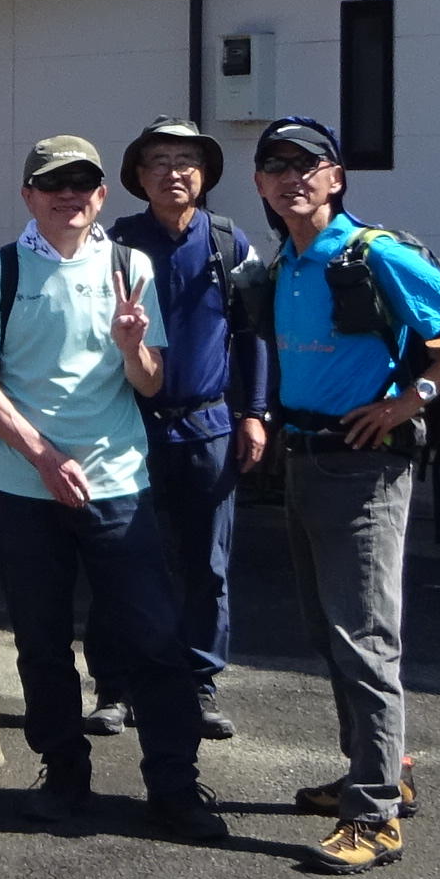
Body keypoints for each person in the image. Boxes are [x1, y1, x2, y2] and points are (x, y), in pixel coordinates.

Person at [235, 116, 440, 876]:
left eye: (307, 165)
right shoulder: (287, 262)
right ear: (259, 184)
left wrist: (410, 398)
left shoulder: (372, 251)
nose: (292, 178)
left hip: (367, 464)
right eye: (275, 166)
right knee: (329, 630)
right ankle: (378, 768)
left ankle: (375, 813)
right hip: (307, 457)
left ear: (336, 176)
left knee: (365, 637)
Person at [0, 134, 225, 841]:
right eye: (53, 184)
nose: (69, 195)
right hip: (26, 487)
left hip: (117, 483)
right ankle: (64, 771)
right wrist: (42, 455)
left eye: (83, 184)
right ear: (29, 196)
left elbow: (150, 381)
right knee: (42, 642)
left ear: (102, 195)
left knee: (156, 639)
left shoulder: (128, 266)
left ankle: (174, 783)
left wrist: (135, 346)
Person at [98, 119, 273, 743]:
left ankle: (199, 682)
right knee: (121, 557)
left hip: (209, 426)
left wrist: (254, 413)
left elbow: (253, 335)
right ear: (138, 177)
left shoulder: (229, 242)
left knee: (207, 563)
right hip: (127, 425)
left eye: (186, 160)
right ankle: (115, 685)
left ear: (204, 174)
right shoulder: (115, 244)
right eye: (159, 161)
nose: (174, 171)